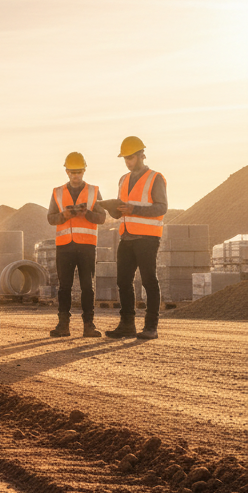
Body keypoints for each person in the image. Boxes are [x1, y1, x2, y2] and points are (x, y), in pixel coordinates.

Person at [101, 136, 167, 340]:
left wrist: (133, 208)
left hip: (147, 238)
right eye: (125, 159)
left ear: (141, 155)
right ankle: (127, 325)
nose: (128, 162)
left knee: (148, 280)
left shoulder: (155, 177)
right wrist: (112, 208)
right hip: (126, 237)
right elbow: (121, 211)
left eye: (130, 157)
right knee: (123, 281)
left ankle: (151, 327)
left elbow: (161, 207)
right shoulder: (123, 179)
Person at [46, 152, 106, 337]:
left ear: (84, 170)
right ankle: (63, 325)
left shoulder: (94, 191)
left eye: (79, 171)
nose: (76, 175)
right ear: (66, 171)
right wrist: (63, 216)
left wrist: (86, 213)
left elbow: (102, 217)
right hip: (64, 246)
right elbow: (50, 218)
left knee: (88, 286)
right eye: (72, 171)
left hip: (87, 246)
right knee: (64, 287)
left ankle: (89, 326)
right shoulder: (57, 192)